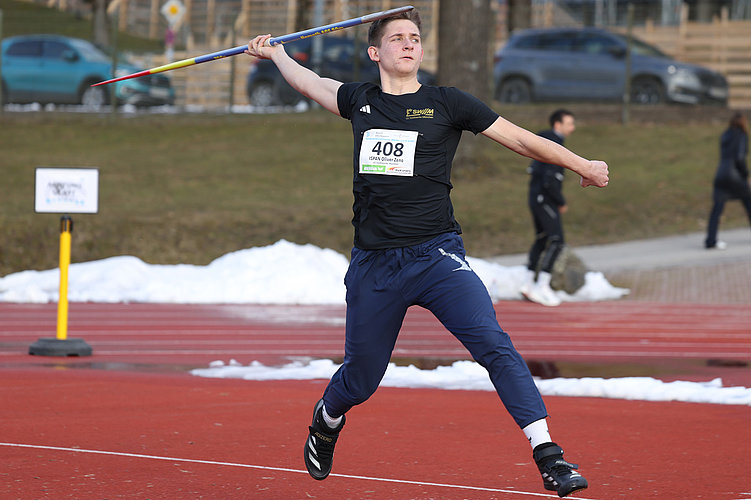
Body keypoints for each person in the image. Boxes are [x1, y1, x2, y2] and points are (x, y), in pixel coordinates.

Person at [246, 9, 608, 498]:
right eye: (397, 37)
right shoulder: (360, 100)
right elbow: (310, 83)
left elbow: (521, 139)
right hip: (375, 265)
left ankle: (550, 456)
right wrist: (277, 54)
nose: (408, 44)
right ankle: (327, 419)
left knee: (494, 344)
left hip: (436, 256)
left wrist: (581, 163)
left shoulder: (447, 102)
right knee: (361, 378)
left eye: (414, 37)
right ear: (375, 52)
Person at [520, 109, 576, 307]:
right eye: (569, 123)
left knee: (542, 239)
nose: (573, 128)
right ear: (557, 124)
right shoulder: (553, 144)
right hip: (545, 198)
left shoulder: (543, 141)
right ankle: (542, 286)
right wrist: (560, 201)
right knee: (557, 241)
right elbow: (550, 178)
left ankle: (528, 284)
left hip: (536, 197)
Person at [705, 112, 751, 250]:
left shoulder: (725, 135)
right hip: (735, 176)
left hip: (721, 174)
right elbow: (739, 158)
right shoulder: (741, 135)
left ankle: (711, 240)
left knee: (717, 209)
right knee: (749, 203)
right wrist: (746, 175)